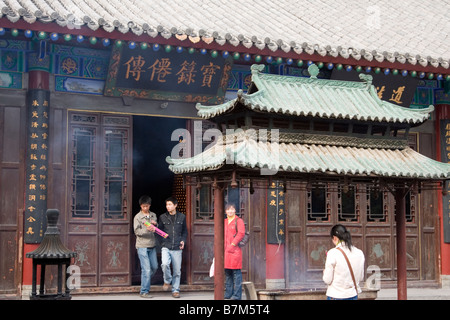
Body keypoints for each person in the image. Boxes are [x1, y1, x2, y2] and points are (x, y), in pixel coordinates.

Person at [323, 224, 365, 300]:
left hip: (336, 295)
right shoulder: (359, 253)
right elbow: (361, 277)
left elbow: (327, 280)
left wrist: (324, 272)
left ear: (335, 238)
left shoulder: (333, 253)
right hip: (353, 295)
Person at [158, 197, 188, 298]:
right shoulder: (162, 217)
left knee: (177, 270)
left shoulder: (182, 217)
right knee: (165, 264)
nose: (168, 207)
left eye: (170, 204)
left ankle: (175, 290)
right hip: (166, 246)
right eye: (167, 205)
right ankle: (167, 281)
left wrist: (183, 240)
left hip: (177, 247)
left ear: (175, 205)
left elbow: (184, 231)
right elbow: (159, 231)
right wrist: (162, 242)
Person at [133, 195, 158, 298]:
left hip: (152, 245)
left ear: (150, 205)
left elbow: (157, 229)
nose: (145, 208)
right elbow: (136, 231)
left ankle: (145, 280)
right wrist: (147, 229)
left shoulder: (153, 215)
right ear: (140, 206)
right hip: (142, 245)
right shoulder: (138, 217)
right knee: (146, 270)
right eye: (143, 206)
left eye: (147, 206)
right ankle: (144, 291)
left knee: (155, 267)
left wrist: (155, 225)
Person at [224, 203, 246, 300]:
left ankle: (237, 295)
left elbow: (241, 233)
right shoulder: (224, 221)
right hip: (225, 251)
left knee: (236, 274)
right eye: (228, 209)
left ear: (235, 211)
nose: (230, 211)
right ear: (225, 211)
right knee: (228, 273)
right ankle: (228, 293)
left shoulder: (238, 221)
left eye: (232, 209)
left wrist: (233, 244)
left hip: (235, 250)